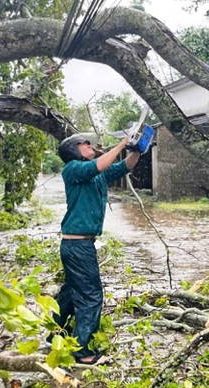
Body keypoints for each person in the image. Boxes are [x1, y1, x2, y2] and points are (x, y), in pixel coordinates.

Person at [51, 133, 141, 365]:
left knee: (71, 291)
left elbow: (124, 166)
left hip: (79, 245)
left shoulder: (96, 174)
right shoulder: (72, 169)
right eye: (85, 144)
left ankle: (55, 334)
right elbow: (99, 164)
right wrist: (122, 143)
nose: (90, 146)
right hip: (77, 245)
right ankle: (83, 352)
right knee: (90, 295)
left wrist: (136, 150)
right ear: (74, 149)